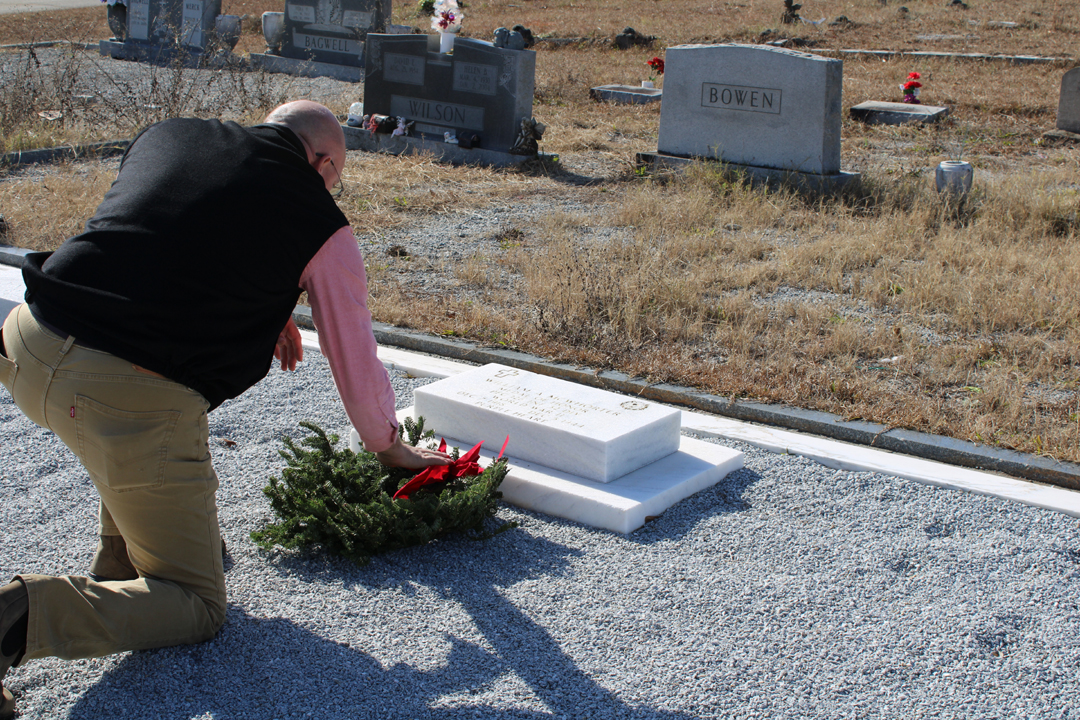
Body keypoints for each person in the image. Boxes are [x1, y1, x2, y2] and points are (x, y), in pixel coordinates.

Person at [0, 100, 449, 718]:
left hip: (27, 342)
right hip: (115, 393)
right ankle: (19, 617)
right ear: (320, 163)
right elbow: (354, 353)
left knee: (132, 403)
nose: (331, 187)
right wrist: (388, 444)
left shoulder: (172, 134)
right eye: (335, 174)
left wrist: (266, 312)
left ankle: (121, 557)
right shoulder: (320, 221)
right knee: (197, 602)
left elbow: (167, 242)